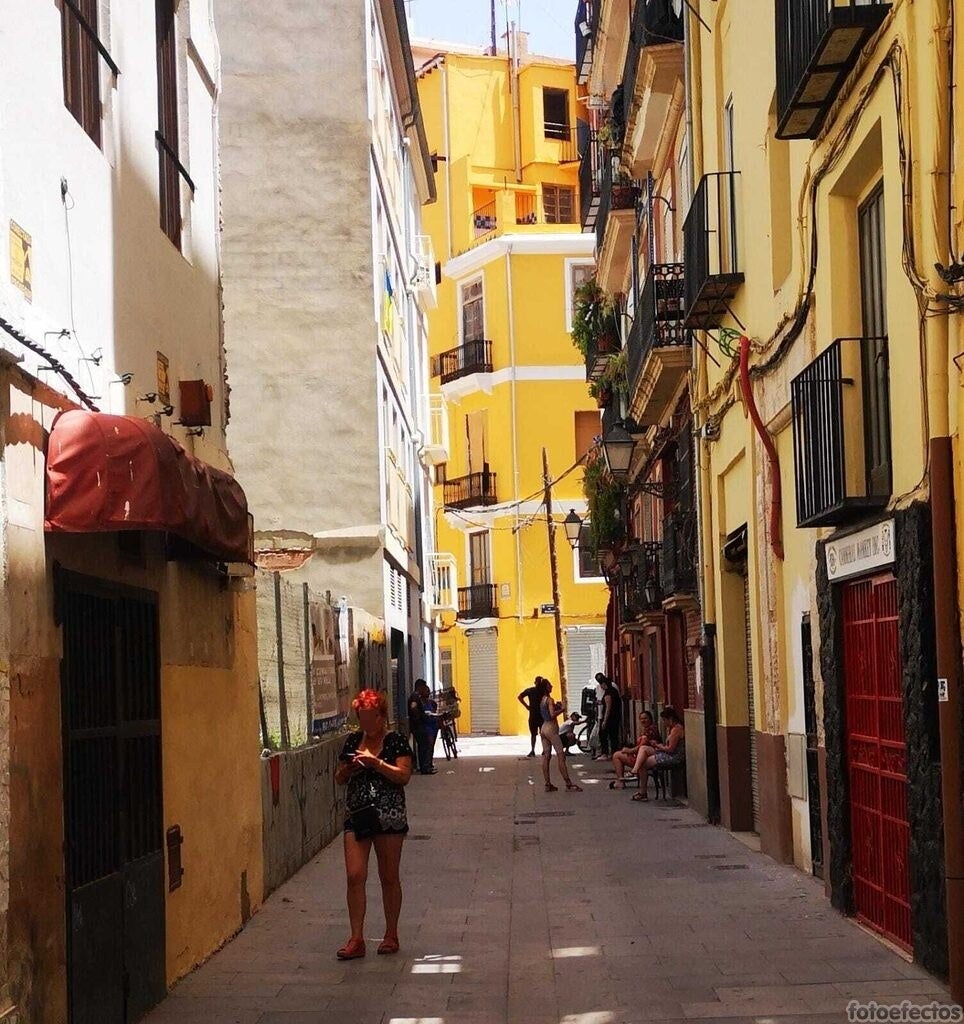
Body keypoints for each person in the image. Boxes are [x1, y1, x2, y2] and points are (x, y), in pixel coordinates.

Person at [334, 689, 414, 960]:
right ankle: (356, 938)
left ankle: (391, 934)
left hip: (388, 816)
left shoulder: (397, 742)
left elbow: (404, 776)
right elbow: (339, 777)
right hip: (357, 815)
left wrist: (376, 763)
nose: (366, 723)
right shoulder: (353, 741)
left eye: (371, 717)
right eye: (362, 717)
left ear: (382, 716)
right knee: (354, 875)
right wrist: (349, 769)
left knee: (388, 876)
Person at [630, 705, 686, 802]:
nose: (664, 723)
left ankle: (642, 789)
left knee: (643, 764)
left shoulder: (676, 730)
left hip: (673, 756)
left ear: (670, 719)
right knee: (644, 748)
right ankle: (636, 769)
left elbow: (670, 749)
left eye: (665, 720)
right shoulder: (672, 728)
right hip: (667, 753)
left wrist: (657, 745)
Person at [538, 679, 582, 793]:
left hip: (543, 728)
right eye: (549, 685)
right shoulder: (550, 700)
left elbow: (547, 713)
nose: (551, 686)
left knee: (546, 756)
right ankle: (568, 783)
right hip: (551, 728)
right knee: (561, 756)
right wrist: (562, 709)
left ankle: (547, 784)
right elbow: (552, 715)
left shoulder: (542, 700)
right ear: (546, 688)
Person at [609, 710, 661, 788]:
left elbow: (642, 746)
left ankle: (620, 781)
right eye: (641, 719)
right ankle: (620, 780)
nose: (643, 720)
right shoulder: (647, 729)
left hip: (644, 758)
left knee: (616, 755)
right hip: (641, 756)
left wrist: (629, 750)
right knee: (618, 754)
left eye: (645, 718)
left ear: (650, 719)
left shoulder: (650, 730)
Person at [407, 680, 438, 775]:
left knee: (424, 746)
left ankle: (425, 766)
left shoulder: (417, 697)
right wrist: (421, 718)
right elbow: (414, 710)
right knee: (424, 746)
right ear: (419, 687)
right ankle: (425, 767)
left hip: (418, 725)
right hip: (418, 726)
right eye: (423, 687)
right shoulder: (415, 697)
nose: (425, 689)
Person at [594, 673, 623, 760]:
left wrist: (605, 721)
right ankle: (614, 753)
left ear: (604, 684)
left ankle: (605, 753)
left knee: (603, 734)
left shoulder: (608, 693)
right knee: (613, 735)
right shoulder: (613, 690)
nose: (601, 687)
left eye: (601, 684)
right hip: (615, 717)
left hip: (610, 718)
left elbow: (608, 707)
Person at [517, 676, 544, 757]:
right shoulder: (543, 692)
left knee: (534, 734)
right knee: (542, 734)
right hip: (541, 715)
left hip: (533, 715)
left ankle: (533, 750)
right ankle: (543, 750)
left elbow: (520, 697)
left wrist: (527, 706)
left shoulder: (530, 690)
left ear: (535, 682)